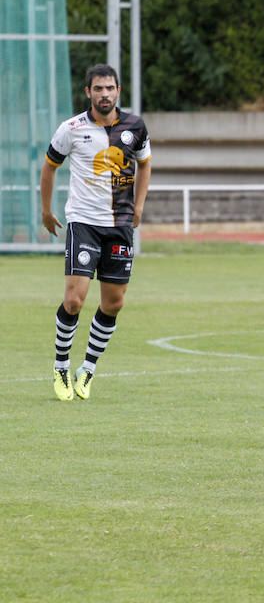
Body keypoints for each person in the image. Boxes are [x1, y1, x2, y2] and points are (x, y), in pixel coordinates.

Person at [40, 64, 151, 401]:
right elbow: (49, 167)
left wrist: (140, 205)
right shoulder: (71, 129)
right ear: (87, 92)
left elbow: (145, 164)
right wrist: (46, 210)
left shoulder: (135, 127)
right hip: (83, 222)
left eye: (110, 88)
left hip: (119, 226)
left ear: (118, 91)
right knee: (74, 299)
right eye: (98, 88)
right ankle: (61, 365)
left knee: (114, 303)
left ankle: (87, 369)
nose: (105, 94)